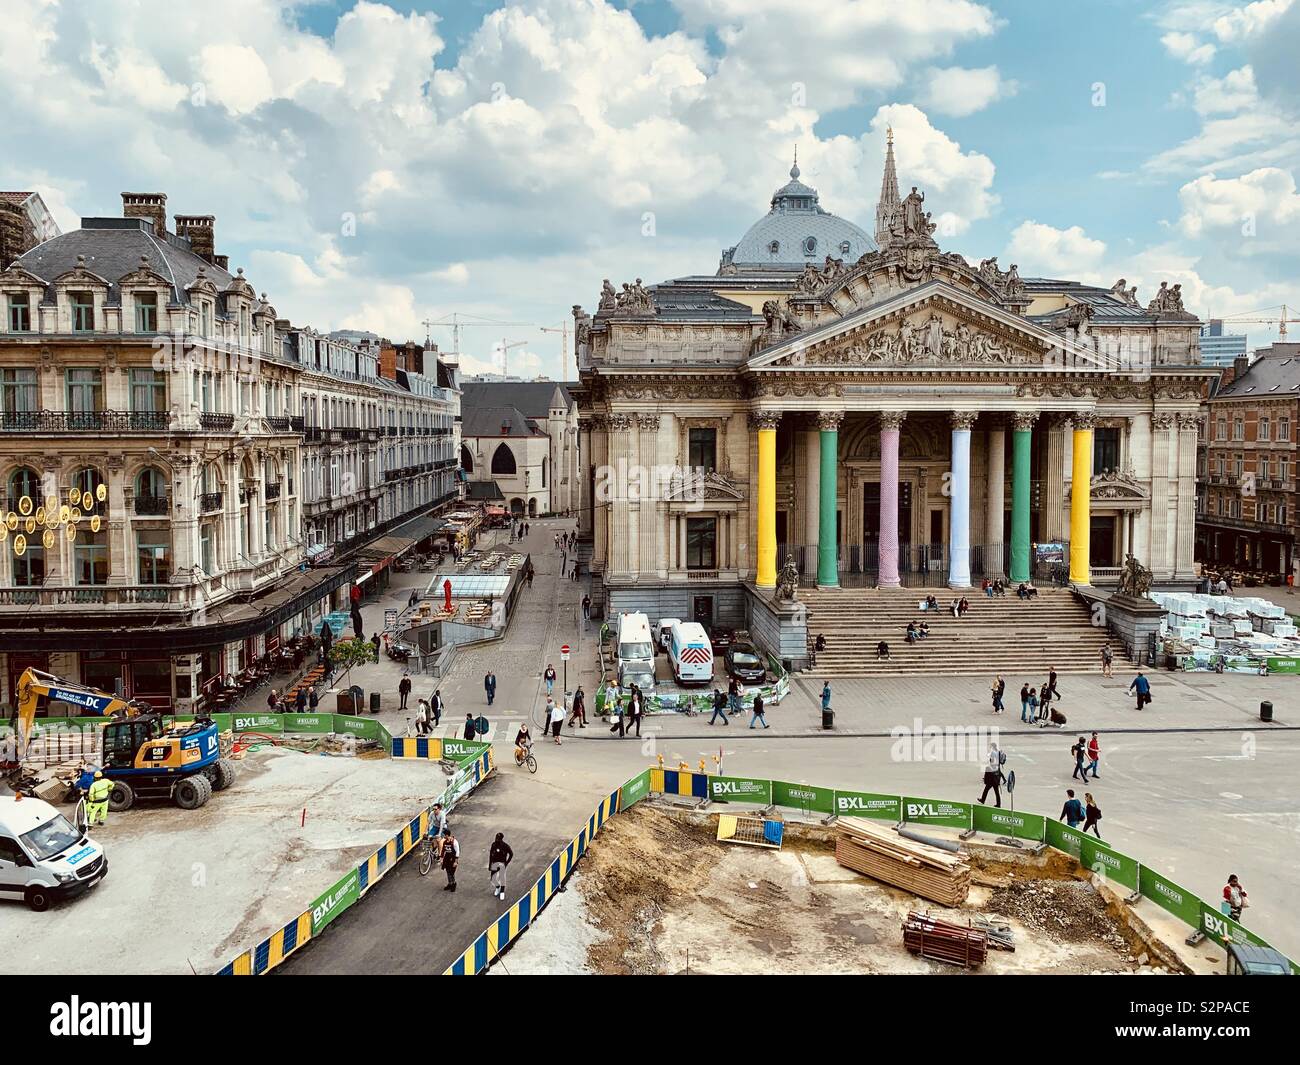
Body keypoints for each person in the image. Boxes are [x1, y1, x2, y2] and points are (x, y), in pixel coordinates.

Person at [489, 833, 513, 901]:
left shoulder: (505, 846)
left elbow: (511, 854)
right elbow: (491, 855)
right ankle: (497, 887)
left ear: (501, 839)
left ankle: (502, 892)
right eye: (496, 838)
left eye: (498, 838)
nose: (496, 839)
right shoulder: (493, 844)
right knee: (493, 879)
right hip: (494, 863)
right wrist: (490, 864)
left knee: (502, 878)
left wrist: (507, 862)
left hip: (502, 863)